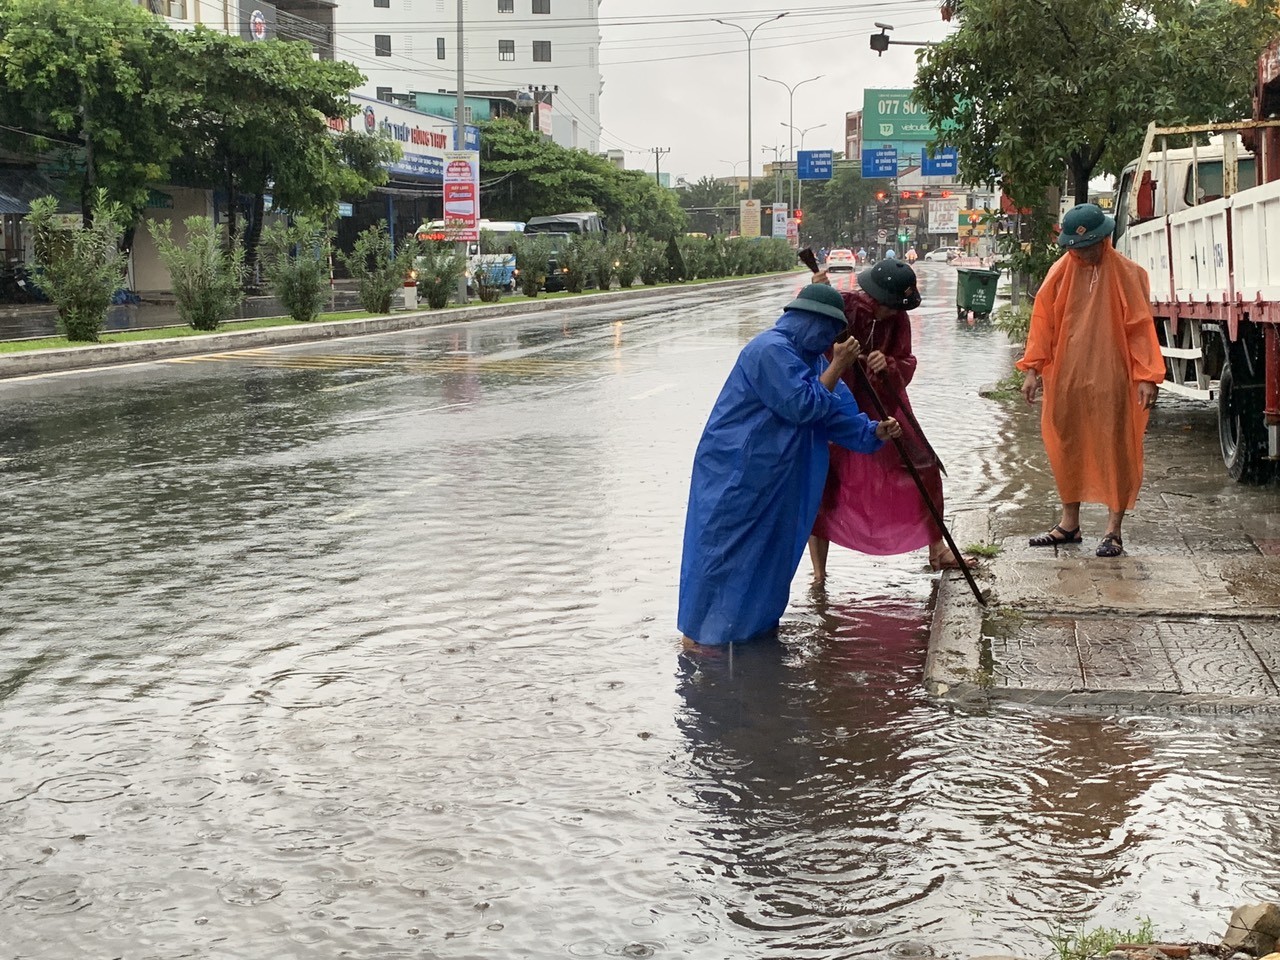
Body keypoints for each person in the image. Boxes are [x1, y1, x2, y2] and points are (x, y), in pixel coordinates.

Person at [679, 284, 902, 648]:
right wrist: (839, 365)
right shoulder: (769, 351)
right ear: (808, 321)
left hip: (783, 481)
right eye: (828, 331)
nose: (832, 339)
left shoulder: (813, 361)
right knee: (725, 557)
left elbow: (836, 413)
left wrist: (873, 430)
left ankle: (751, 635)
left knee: (771, 559)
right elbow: (802, 404)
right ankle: (703, 642)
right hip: (738, 476)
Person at [1016, 202, 1164, 557]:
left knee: (1116, 446)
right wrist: (1033, 370)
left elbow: (1141, 328)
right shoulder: (1058, 273)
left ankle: (1113, 530)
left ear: (1105, 240)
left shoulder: (1130, 274)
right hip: (1066, 376)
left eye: (1087, 246)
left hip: (1113, 377)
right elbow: (1043, 324)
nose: (1081, 253)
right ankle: (1069, 523)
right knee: (1066, 443)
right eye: (1075, 248)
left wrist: (1147, 376)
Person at [807, 259, 957, 581]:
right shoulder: (845, 307)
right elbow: (812, 340)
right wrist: (819, 294)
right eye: (888, 307)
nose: (891, 314)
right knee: (824, 481)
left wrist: (887, 364)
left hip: (883, 403)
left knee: (923, 465)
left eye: (896, 309)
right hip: (838, 404)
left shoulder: (898, 320)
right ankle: (819, 573)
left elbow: (907, 361)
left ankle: (938, 550)